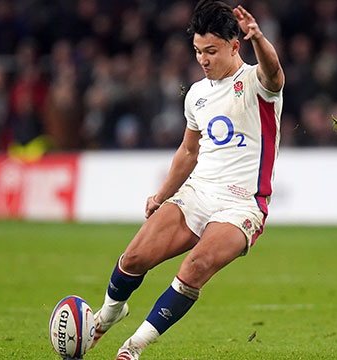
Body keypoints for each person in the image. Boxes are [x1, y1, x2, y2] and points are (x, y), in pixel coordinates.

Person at [91, 1, 284, 359]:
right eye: (198, 52)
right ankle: (109, 314)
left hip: (242, 203)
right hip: (198, 193)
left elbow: (274, 72)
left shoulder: (257, 84)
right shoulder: (196, 94)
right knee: (133, 258)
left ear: (234, 45)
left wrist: (259, 36)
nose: (203, 59)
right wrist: (161, 195)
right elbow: (188, 152)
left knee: (194, 267)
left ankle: (132, 348)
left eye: (211, 51)